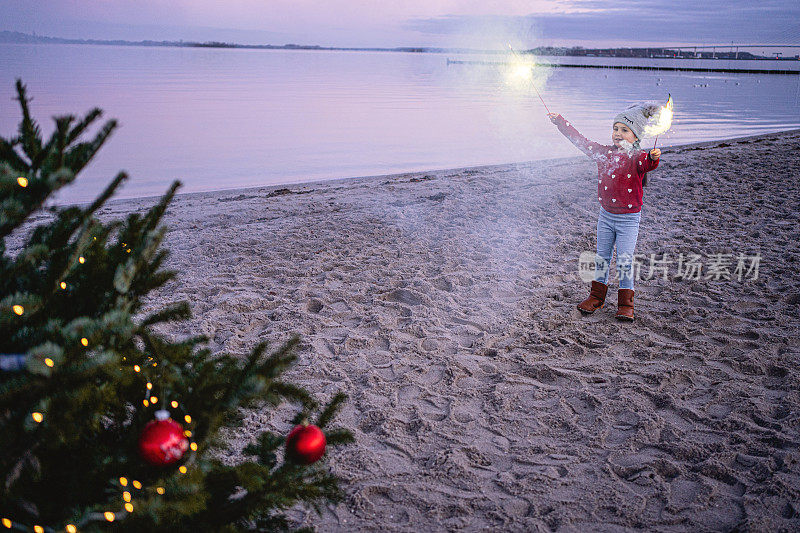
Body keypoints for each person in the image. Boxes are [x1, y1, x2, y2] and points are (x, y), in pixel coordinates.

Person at [548, 103, 662, 321]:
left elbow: (648, 164)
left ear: (635, 135)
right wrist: (561, 122)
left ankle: (626, 303)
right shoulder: (603, 153)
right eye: (616, 129)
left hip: (629, 219)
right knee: (602, 257)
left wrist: (654, 158)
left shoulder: (638, 157)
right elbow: (580, 140)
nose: (618, 134)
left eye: (624, 130)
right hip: (606, 217)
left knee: (625, 260)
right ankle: (596, 297)